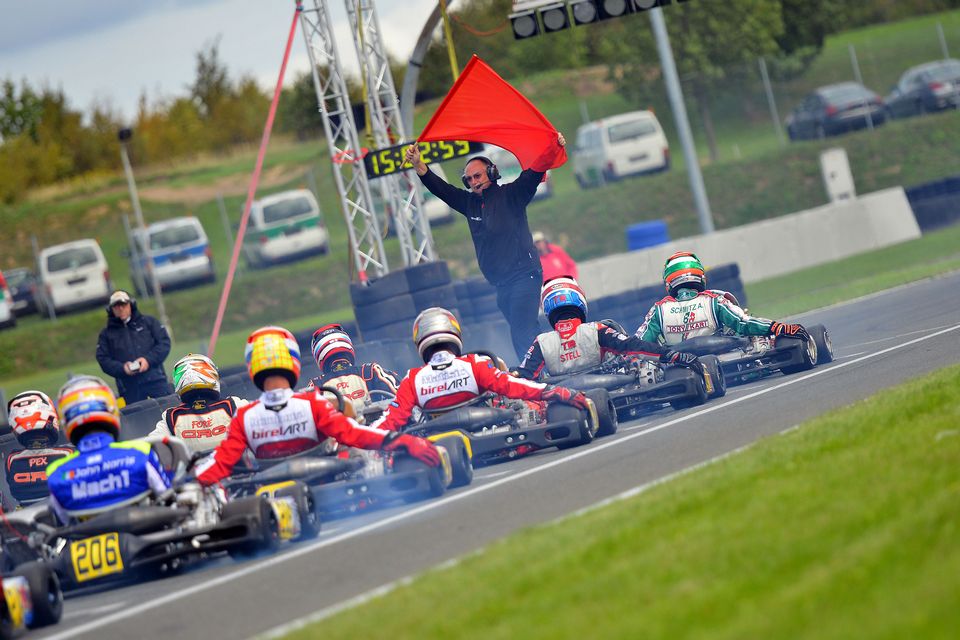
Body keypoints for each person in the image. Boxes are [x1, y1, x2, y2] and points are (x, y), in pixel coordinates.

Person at [194, 326, 441, 486]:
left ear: (252, 367)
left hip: (272, 490)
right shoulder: (312, 403)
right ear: (293, 361)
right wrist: (406, 441)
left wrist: (189, 484)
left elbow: (222, 462)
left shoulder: (244, 416)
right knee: (355, 453)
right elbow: (355, 435)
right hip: (328, 482)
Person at [404, 135, 566, 360]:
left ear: (491, 173)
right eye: (469, 179)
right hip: (501, 284)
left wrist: (553, 146)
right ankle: (551, 361)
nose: (474, 182)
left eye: (478, 176)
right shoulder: (469, 203)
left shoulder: (512, 194)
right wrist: (419, 165)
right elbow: (442, 189)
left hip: (525, 276)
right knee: (525, 329)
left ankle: (532, 375)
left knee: (522, 330)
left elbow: (535, 171)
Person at [369, 307, 591, 433]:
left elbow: (393, 418)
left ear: (419, 341)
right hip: (490, 427)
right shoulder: (473, 363)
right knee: (528, 408)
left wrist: (359, 439)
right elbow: (510, 386)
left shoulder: (413, 379)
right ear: (454, 333)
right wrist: (551, 391)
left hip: (441, 437)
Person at [515, 277, 699, 381]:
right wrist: (672, 355)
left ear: (547, 309)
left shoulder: (541, 342)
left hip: (565, 399)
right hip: (611, 386)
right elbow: (631, 346)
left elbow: (525, 376)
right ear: (580, 300)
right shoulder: (596, 330)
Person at [46, 375, 173, 524]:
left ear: (66, 422)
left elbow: (64, 525)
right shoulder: (140, 453)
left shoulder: (57, 473)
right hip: (144, 539)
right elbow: (168, 500)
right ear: (111, 410)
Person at [635, 251, 811, 345]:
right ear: (700, 276)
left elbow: (640, 342)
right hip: (723, 357)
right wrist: (777, 327)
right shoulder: (714, 300)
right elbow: (742, 324)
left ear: (669, 283)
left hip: (678, 364)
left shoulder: (659, 309)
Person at [149, 354, 249, 454]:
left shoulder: (171, 417)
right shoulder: (233, 405)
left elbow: (148, 445)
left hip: (195, 469)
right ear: (211, 374)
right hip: (235, 466)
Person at [95, 290, 173, 406]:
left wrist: (148, 360)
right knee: (139, 421)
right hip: (129, 387)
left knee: (169, 411)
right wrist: (122, 368)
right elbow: (102, 358)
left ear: (131, 304)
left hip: (156, 380)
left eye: (123, 304)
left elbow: (164, 343)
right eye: (116, 306)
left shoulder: (149, 322)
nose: (120, 308)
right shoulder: (106, 334)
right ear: (111, 310)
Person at [306, 323, 401, 413]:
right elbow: (402, 396)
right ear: (347, 344)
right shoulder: (370, 371)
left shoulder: (315, 386)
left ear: (318, 354)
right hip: (379, 428)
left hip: (341, 429)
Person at [4, 390, 73, 509]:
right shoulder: (69, 453)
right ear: (49, 416)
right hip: (66, 516)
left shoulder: (12, 459)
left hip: (26, 521)